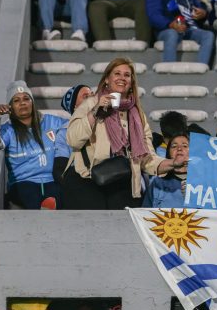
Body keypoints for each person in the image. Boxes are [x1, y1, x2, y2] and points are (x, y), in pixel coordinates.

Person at [64, 57, 181, 209]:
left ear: (131, 82)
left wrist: (172, 163)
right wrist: (96, 111)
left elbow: (146, 158)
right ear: (107, 79)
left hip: (122, 180)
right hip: (87, 179)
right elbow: (73, 139)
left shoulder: (137, 114)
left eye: (127, 75)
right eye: (117, 73)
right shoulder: (90, 104)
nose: (122, 78)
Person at [0, 81, 68, 209]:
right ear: (10, 106)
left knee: (58, 194)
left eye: (26, 99)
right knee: (31, 197)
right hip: (23, 182)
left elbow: (74, 127)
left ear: (32, 103)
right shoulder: (8, 130)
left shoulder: (51, 121)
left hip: (51, 179)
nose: (22, 103)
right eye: (16, 100)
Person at [145, 0, 215, 65]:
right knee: (172, 33)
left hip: (188, 27)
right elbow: (153, 15)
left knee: (208, 35)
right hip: (165, 29)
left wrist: (203, 13)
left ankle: (201, 69)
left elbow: (198, 6)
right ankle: (169, 70)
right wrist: (170, 24)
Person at [54, 84, 94, 181]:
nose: (91, 98)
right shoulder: (65, 132)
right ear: (75, 107)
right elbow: (60, 168)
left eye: (92, 95)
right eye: (85, 97)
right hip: (83, 180)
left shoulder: (105, 120)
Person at [88, 0, 152, 43]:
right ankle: (105, 46)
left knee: (144, 2)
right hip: (108, 1)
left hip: (133, 0)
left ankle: (142, 44)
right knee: (95, 6)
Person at [143, 132, 189, 207]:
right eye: (174, 146)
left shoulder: (203, 184)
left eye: (185, 146)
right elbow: (144, 212)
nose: (179, 149)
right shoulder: (157, 183)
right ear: (168, 152)